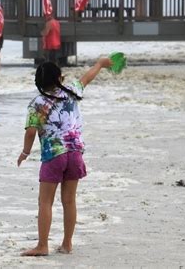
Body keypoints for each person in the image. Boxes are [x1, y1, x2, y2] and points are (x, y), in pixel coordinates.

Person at [17, 57, 113, 256]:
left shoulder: (37, 103)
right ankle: (67, 243)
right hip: (75, 152)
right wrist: (100, 64)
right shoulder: (71, 91)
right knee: (69, 200)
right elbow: (87, 78)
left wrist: (25, 152)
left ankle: (42, 245)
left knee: (45, 202)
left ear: (38, 82)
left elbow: (30, 132)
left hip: (54, 155)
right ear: (60, 78)